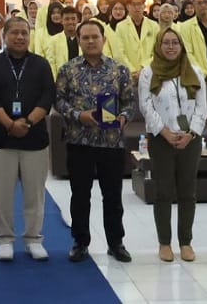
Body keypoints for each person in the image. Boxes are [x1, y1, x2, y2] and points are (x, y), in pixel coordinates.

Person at [56, 19, 133, 263]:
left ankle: (116, 242)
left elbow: (130, 102)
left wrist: (122, 117)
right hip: (79, 142)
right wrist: (78, 115)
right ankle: (80, 242)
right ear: (78, 41)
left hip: (111, 143)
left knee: (113, 196)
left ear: (104, 39)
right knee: (80, 195)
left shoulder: (119, 70)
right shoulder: (68, 70)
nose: (90, 41)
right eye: (85, 38)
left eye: (95, 37)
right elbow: (58, 101)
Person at [0, 17, 54, 262]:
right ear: (5, 35)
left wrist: (29, 122)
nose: (20, 37)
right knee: (2, 194)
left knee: (35, 194)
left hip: (35, 140)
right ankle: (5, 239)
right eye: (15, 33)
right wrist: (10, 124)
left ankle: (33, 238)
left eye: (24, 33)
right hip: (2, 139)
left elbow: (47, 97)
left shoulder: (41, 65)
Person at [139, 27, 207, 263]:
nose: (170, 47)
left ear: (181, 46)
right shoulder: (149, 73)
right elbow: (146, 106)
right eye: (166, 43)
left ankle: (186, 242)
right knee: (163, 191)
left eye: (175, 43)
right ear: (158, 46)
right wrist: (165, 132)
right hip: (161, 140)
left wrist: (191, 133)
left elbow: (202, 107)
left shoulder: (195, 71)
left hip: (190, 140)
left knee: (188, 191)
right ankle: (165, 242)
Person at [41, 8, 81, 77]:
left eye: (73, 19)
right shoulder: (53, 40)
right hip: (61, 81)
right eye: (67, 19)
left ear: (77, 20)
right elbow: (51, 63)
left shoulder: (83, 39)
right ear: (61, 21)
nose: (70, 22)